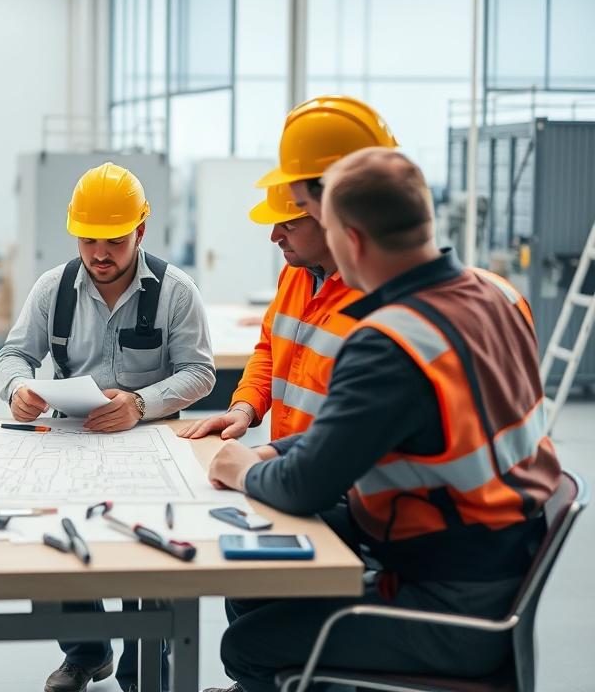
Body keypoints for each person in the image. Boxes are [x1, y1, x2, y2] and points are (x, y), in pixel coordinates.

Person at [204, 147, 561, 692]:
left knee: (245, 645)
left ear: (350, 241)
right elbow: (374, 431)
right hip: (493, 550)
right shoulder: (497, 294)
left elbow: (302, 488)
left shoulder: (391, 341)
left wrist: (240, 469)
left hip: (448, 600)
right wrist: (280, 450)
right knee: (252, 567)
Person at [0, 162, 215, 692]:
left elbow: (201, 372)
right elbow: (12, 355)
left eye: (114, 240)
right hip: (73, 440)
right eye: (88, 239)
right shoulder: (55, 289)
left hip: (152, 443)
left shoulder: (175, 292)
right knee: (61, 541)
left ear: (140, 231)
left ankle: (148, 670)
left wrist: (141, 403)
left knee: (152, 550)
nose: (99, 253)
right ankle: (86, 653)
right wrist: (18, 390)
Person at [181, 95, 397, 444]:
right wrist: (244, 407)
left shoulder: (381, 300)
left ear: (333, 210)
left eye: (291, 224)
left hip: (333, 482)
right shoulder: (296, 273)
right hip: (295, 467)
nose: (274, 236)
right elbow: (270, 347)